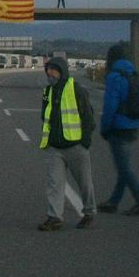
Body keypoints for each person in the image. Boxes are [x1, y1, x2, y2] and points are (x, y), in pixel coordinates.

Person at [38, 57, 97, 230]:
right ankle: (55, 217)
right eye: (48, 70)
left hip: (75, 145)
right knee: (54, 183)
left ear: (62, 71)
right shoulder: (47, 91)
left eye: (53, 70)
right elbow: (45, 115)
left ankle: (89, 213)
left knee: (84, 182)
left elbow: (88, 117)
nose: (50, 73)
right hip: (55, 147)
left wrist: (84, 142)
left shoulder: (76, 89)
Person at [98, 45, 139, 216]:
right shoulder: (133, 73)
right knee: (123, 166)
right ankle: (113, 202)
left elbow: (110, 106)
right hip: (134, 125)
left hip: (119, 128)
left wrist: (104, 128)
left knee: (124, 169)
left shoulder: (114, 77)